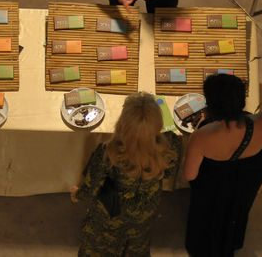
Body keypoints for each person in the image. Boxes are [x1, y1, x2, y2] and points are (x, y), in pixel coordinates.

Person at [71, 92, 182, 256]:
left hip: (110, 212)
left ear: (123, 123)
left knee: (99, 247)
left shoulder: (108, 152)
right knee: (137, 245)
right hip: (146, 210)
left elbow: (91, 187)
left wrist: (77, 194)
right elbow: (168, 174)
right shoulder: (172, 144)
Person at [184, 73, 262, 256]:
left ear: (211, 105)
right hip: (248, 178)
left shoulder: (202, 136)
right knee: (238, 209)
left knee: (208, 215)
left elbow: (190, 175)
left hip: (214, 183)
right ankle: (232, 239)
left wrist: (200, 126)